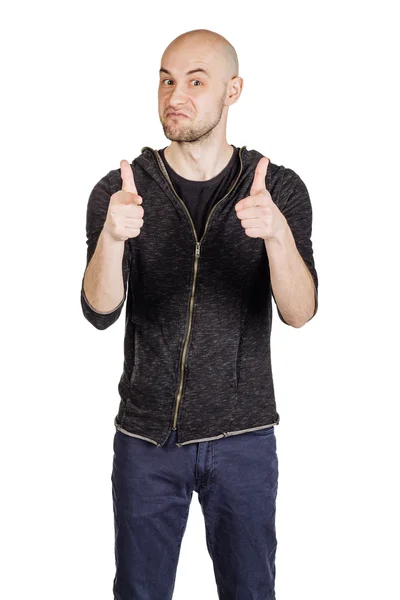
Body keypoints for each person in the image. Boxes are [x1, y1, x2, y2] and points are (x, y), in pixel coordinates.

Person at [81, 28, 318, 600]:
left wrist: (277, 238)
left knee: (251, 592)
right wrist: (112, 239)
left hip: (243, 439)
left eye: (194, 81)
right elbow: (99, 310)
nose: (175, 95)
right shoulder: (121, 191)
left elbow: (300, 312)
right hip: (145, 441)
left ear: (232, 91)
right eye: (166, 80)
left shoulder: (278, 189)